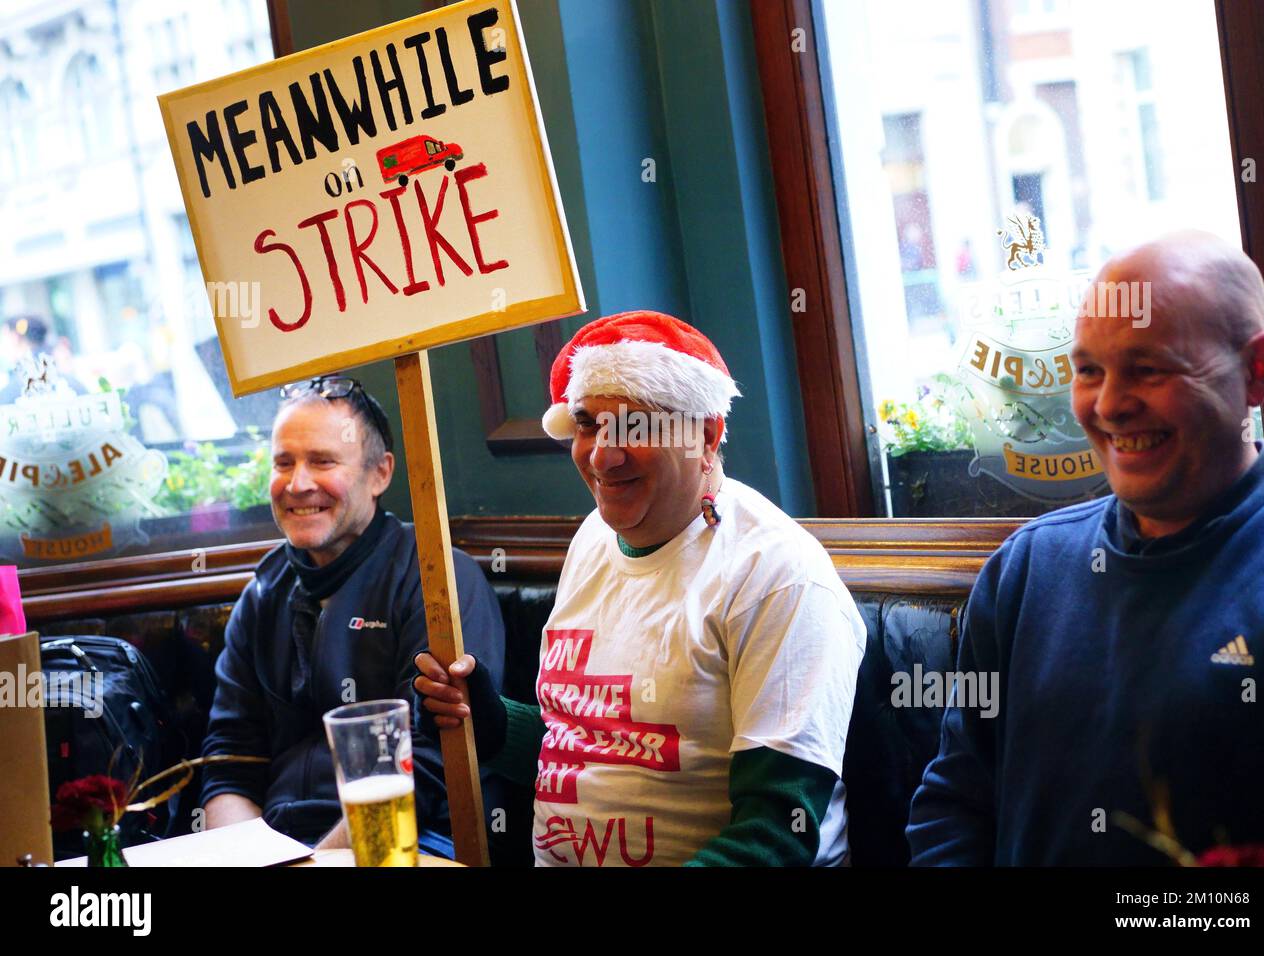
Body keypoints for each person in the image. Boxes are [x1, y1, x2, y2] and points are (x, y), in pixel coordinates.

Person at [414, 311, 866, 866]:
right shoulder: (593, 540)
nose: (602, 454)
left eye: (635, 426)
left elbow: (778, 833)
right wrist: (494, 723)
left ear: (706, 434)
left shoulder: (777, 574)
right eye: (585, 424)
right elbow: (601, 755)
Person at [907, 231, 1264, 865]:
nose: (1110, 405)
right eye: (1089, 370)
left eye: (1149, 368)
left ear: (1257, 372)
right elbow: (955, 803)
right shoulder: (1024, 570)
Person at [200, 376, 506, 857]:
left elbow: (427, 770)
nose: (298, 483)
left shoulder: (438, 579)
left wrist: (317, 861)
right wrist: (245, 859)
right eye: (284, 463)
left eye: (322, 461)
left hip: (419, 841)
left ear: (380, 474)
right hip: (278, 848)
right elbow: (229, 762)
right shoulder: (262, 591)